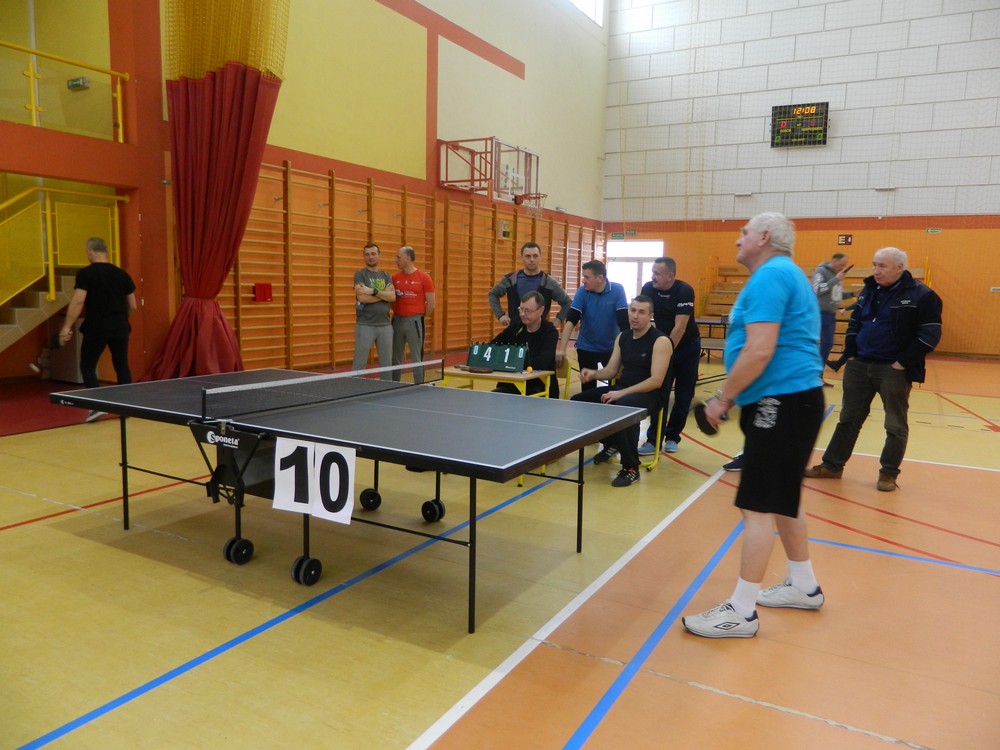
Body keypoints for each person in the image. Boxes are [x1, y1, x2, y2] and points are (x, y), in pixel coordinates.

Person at [681, 212, 825, 639]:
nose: (738, 240)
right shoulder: (786, 273)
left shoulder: (771, 275)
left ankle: (741, 612)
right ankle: (804, 585)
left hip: (781, 400)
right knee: (782, 499)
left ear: (764, 237)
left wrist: (722, 398)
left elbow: (760, 349)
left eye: (744, 233)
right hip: (790, 399)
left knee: (757, 505)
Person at [804, 247, 943, 492]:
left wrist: (902, 362)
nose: (876, 271)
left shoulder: (922, 295)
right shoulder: (869, 290)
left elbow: (929, 335)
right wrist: (851, 353)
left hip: (893, 370)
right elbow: (855, 322)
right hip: (859, 365)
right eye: (874, 265)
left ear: (899, 268)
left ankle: (888, 473)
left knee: (895, 425)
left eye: (882, 266)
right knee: (848, 419)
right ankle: (832, 466)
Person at [570, 295, 672, 487]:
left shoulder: (661, 341)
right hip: (623, 390)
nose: (635, 316)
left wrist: (621, 393)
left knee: (625, 406)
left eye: (641, 312)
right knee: (579, 401)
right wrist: (593, 374)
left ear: (650, 315)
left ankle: (631, 468)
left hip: (651, 395)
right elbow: (611, 370)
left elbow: (656, 381)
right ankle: (613, 441)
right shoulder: (623, 337)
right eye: (632, 310)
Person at [58, 237, 137, 423]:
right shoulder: (122, 274)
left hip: (97, 326)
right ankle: (127, 406)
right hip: (120, 325)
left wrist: (66, 327)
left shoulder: (86, 274)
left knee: (87, 365)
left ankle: (96, 406)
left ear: (90, 252)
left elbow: (78, 300)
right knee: (121, 364)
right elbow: (133, 305)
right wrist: (121, 320)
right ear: (107, 253)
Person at [637, 257, 701, 455]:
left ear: (670, 276)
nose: (652, 276)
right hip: (665, 346)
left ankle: (673, 436)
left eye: (657, 273)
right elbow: (642, 315)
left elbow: (680, 328)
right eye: (652, 272)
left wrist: (666, 351)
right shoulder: (648, 289)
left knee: (684, 395)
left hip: (687, 347)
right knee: (659, 393)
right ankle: (653, 440)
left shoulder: (684, 290)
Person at [556, 259, 628, 391]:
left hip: (612, 348)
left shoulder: (617, 290)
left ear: (599, 278)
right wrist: (562, 349)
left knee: (615, 388)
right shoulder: (582, 292)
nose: (583, 280)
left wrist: (626, 349)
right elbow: (571, 320)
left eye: (587, 277)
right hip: (586, 348)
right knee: (587, 389)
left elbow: (624, 324)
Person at [490, 290, 559, 397]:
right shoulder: (516, 327)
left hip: (540, 387)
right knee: (494, 396)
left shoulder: (549, 332)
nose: (522, 314)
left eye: (527, 311)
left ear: (541, 310)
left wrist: (513, 362)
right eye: (521, 309)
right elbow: (493, 346)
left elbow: (543, 362)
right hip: (513, 385)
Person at [488, 242, 572, 329]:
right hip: (514, 331)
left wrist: (557, 321)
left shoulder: (549, 282)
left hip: (540, 333)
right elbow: (493, 294)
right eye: (528, 256)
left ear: (540, 257)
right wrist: (500, 315)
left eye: (535, 256)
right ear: (522, 258)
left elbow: (568, 303)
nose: (532, 260)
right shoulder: (510, 279)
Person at [391, 245, 435, 384]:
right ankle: (394, 384)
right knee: (396, 356)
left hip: (415, 321)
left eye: (398, 257)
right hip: (397, 320)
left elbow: (431, 304)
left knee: (416, 357)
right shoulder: (395, 278)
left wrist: (419, 317)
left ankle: (419, 386)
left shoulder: (424, 277)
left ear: (408, 258)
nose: (396, 260)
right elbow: (391, 301)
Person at [811, 252, 856, 386]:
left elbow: (836, 295)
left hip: (830, 314)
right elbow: (818, 289)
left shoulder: (835, 275)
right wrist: (836, 279)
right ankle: (815, 376)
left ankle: (818, 376)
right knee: (825, 344)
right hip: (821, 313)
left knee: (827, 344)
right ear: (834, 260)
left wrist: (852, 294)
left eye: (844, 266)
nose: (842, 268)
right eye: (841, 265)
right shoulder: (821, 271)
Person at [352, 242, 395, 379]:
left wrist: (372, 291)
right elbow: (362, 297)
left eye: (373, 254)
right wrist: (383, 295)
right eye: (367, 254)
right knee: (359, 364)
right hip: (365, 325)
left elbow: (392, 297)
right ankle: (354, 389)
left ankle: (387, 388)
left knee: (387, 364)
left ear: (379, 255)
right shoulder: (360, 275)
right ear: (364, 257)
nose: (370, 257)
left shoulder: (386, 275)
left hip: (385, 325)